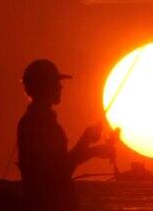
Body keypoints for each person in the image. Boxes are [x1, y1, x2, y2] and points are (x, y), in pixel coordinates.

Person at [17, 59, 115, 210]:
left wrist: (86, 139)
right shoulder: (40, 123)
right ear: (45, 87)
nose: (61, 86)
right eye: (56, 83)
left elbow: (60, 164)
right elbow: (59, 170)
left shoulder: (34, 121)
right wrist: (94, 149)